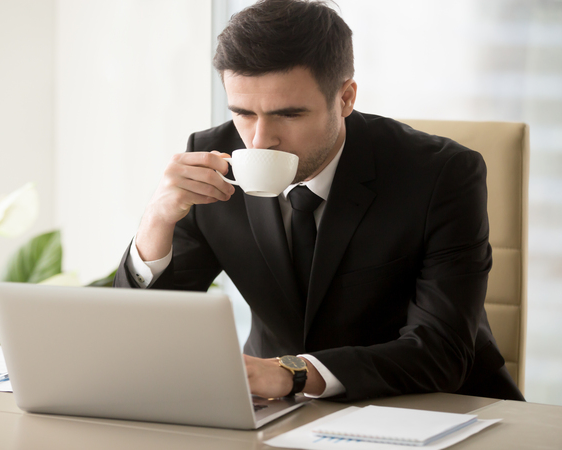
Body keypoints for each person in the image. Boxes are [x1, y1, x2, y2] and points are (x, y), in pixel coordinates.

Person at [113, 0, 524, 402]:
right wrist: (156, 222)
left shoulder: (442, 174)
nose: (259, 140)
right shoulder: (212, 159)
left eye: (288, 115)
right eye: (243, 112)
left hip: (432, 409)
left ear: (345, 98)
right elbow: (140, 335)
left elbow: (442, 352)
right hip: (275, 412)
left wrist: (292, 373)